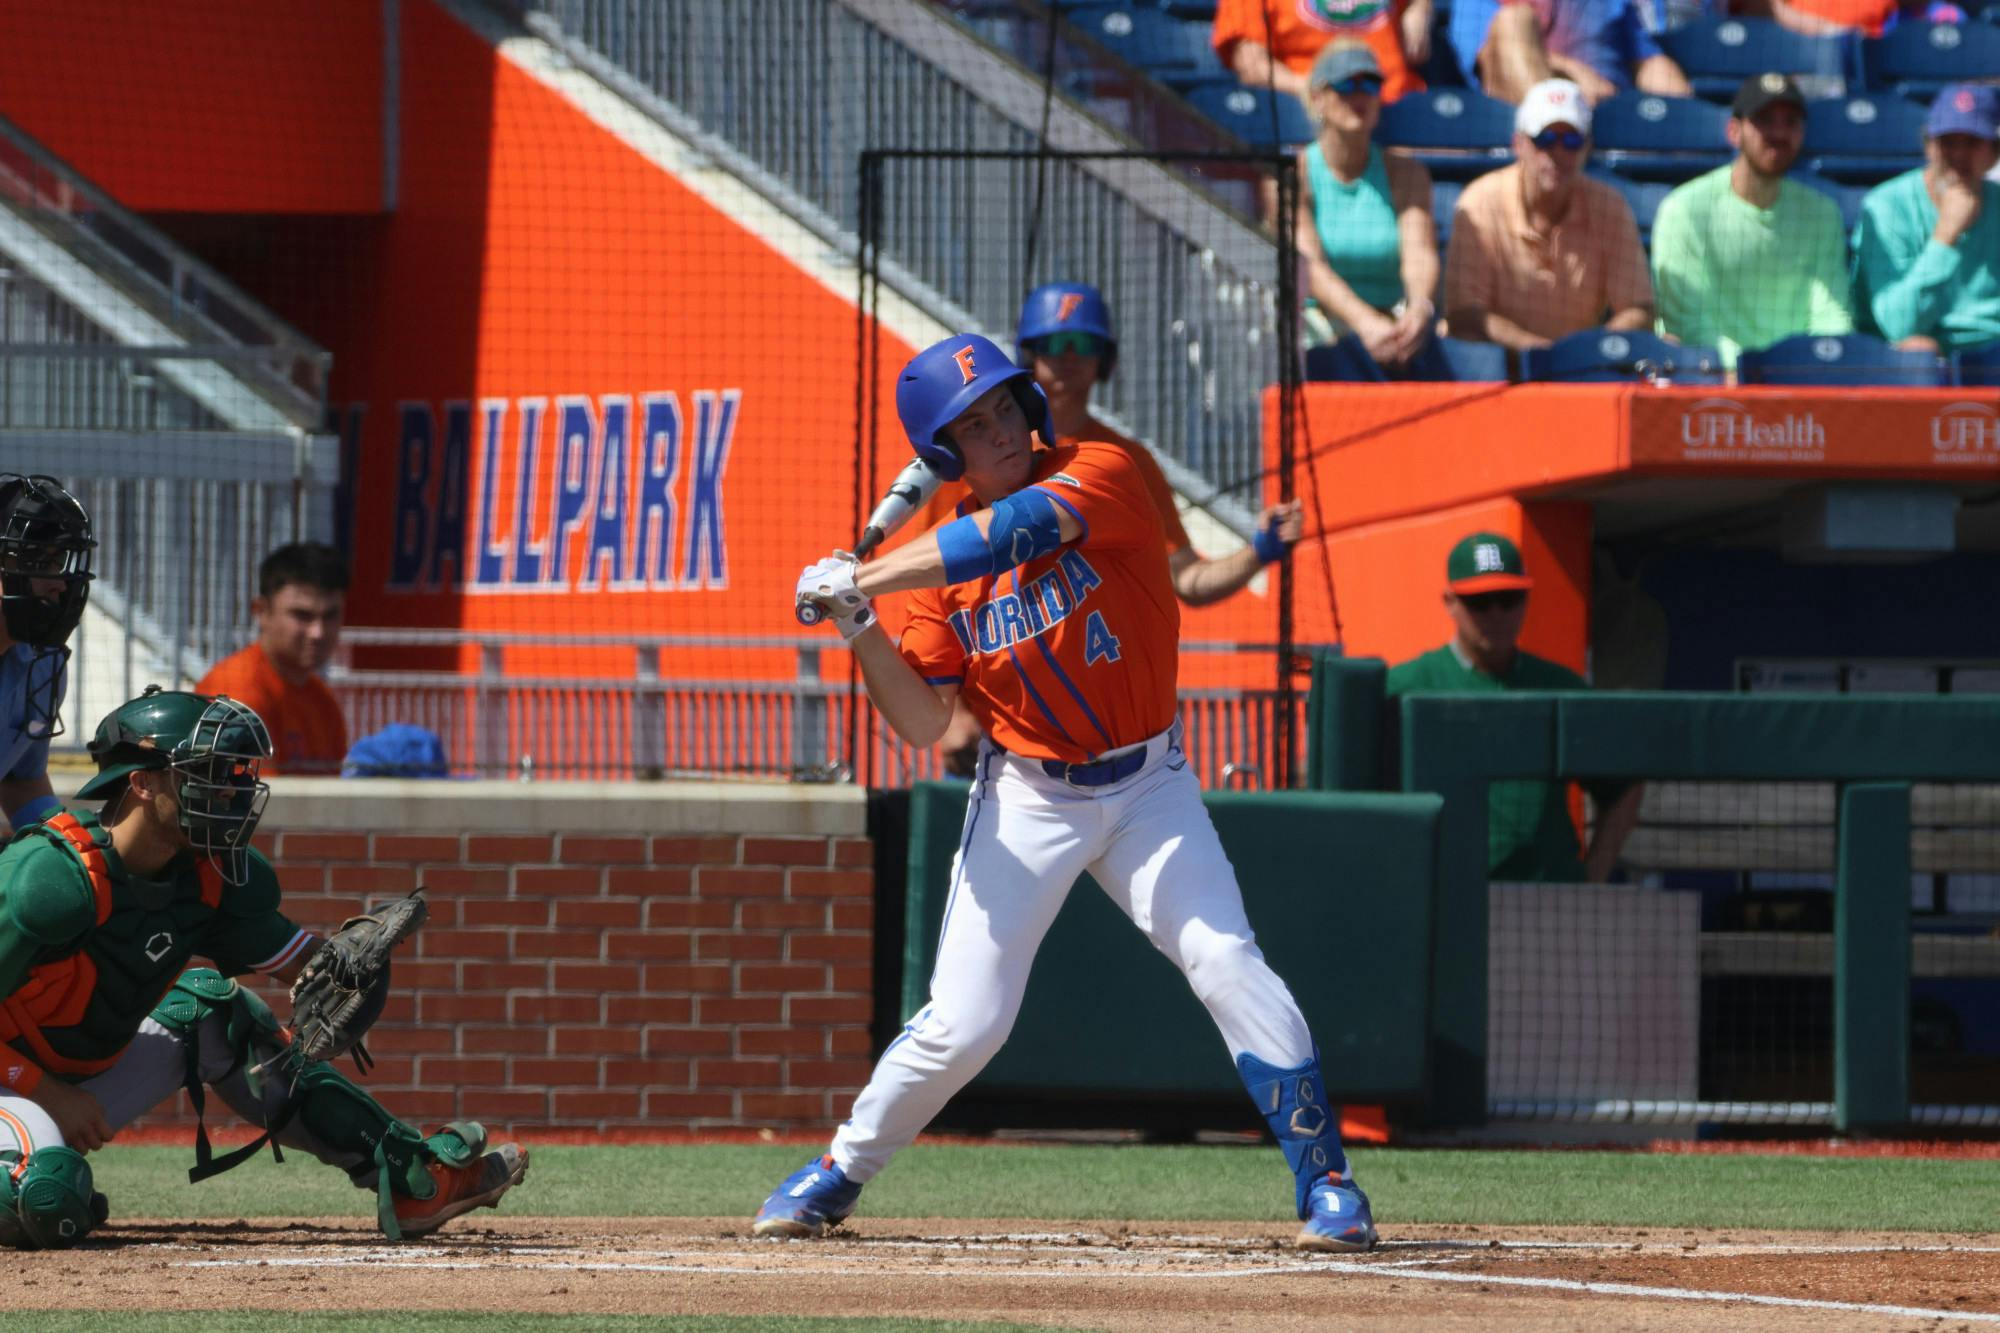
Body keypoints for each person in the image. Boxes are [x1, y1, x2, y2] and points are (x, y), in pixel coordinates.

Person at [768, 334, 1374, 1252]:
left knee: (1224, 957)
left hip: (1148, 785)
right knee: (968, 1020)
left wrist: (867, 574)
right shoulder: (928, 580)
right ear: (943, 455)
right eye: (972, 426)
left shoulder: (1102, 469)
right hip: (1027, 794)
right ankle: (839, 1172)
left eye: (1005, 407)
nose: (1001, 430)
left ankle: (1327, 1180)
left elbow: (1011, 534)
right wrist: (859, 622)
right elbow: (925, 724)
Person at [0, 686, 528, 1248]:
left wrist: (350, 971)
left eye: (234, 773)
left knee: (217, 1013)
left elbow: (312, 968)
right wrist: (49, 1096)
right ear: (142, 780)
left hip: (75, 1079)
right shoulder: (47, 879)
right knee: (45, 1196)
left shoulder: (207, 877)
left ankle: (413, 1178)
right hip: (18, 1082)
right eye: (206, 772)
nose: (230, 790)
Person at [930, 282, 1305, 774]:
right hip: (1000, 734)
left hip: (1107, 742)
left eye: (1082, 345)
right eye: (1051, 344)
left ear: (1103, 360)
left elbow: (1187, 580)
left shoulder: (1125, 461)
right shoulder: (974, 458)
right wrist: (951, 710)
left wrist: (1258, 551)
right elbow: (932, 586)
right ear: (1028, 355)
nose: (1066, 359)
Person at [1385, 532, 1643, 883]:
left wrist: (1592, 880)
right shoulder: (1405, 684)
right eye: (1481, 601)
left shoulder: (1560, 686)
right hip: (1442, 898)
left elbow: (1624, 788)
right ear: (1449, 601)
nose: (1497, 613)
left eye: (1509, 599)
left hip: (1546, 900)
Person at [1649, 74, 1854, 369]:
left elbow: (1831, 315)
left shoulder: (1822, 212)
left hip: (1800, 381)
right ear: (1734, 131)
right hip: (1714, 380)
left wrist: (1810, 367)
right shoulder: (1685, 209)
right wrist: (1750, 372)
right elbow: (1689, 323)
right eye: (1765, 120)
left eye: (1790, 122)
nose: (1778, 132)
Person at [1443, 79, 1655, 351]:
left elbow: (1639, 309)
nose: (1557, 153)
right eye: (1544, 139)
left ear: (1587, 148)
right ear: (1518, 144)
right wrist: (1538, 352)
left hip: (1578, 374)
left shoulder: (1609, 206)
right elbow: (1465, 315)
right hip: (1496, 368)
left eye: (1571, 140)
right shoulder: (1479, 202)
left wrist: (1588, 352)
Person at [1296, 43, 1441, 367]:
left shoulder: (1408, 173)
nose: (1359, 95)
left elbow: (1419, 253)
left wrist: (1419, 308)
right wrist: (1363, 322)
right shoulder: (1295, 175)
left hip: (1393, 325)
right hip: (1319, 333)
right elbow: (1310, 269)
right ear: (1318, 97)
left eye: (1370, 84)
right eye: (1346, 84)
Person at [1852, 83, 2000, 355]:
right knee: (1917, 351)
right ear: (1928, 146)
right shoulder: (1887, 206)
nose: (1959, 155)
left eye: (1972, 142)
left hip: (1992, 352)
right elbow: (1898, 325)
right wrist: (1945, 235)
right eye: (1948, 142)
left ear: (1994, 152)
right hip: (1915, 360)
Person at [197, 542, 349, 776]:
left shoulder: (323, 701)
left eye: (330, 615)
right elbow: (244, 803)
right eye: (302, 615)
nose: (318, 632)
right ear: (261, 611)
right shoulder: (235, 692)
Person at [0, 476, 93, 834]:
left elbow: (20, 779)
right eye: (37, 564)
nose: (57, 584)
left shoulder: (42, 663)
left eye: (56, 564)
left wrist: (67, 850)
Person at [1447, 0, 1693, 104]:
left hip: (1608, 117)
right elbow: (1488, 54)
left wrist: (1686, 114)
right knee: (1514, 21)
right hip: (1526, 124)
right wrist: (1574, 74)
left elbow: (1648, 61)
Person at [1211, 0, 1431, 106]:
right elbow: (1252, 66)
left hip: (1394, 105)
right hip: (1304, 116)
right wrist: (1320, 92)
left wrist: (1420, 8)